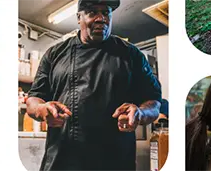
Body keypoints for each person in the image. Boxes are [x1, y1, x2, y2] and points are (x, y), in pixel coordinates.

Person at [24, 0, 162, 170]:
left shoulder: (131, 55)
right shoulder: (54, 54)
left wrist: (140, 113)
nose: (101, 18)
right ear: (78, 18)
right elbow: (33, 100)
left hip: (115, 161)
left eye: (106, 13)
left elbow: (154, 102)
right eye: (92, 12)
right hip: (63, 160)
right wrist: (41, 109)